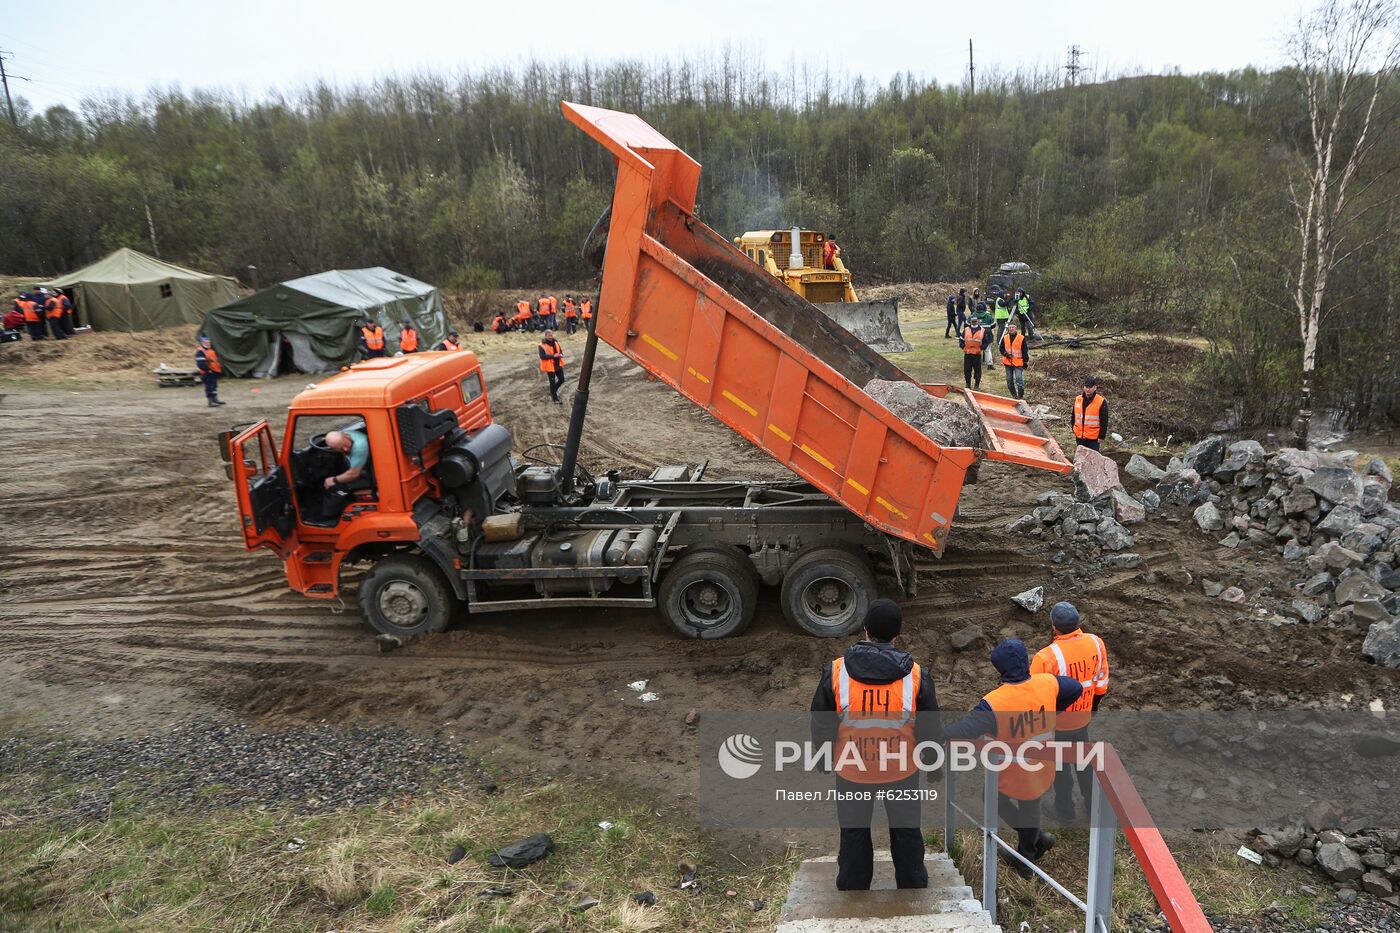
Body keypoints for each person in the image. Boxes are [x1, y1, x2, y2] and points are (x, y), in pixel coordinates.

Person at [810, 599, 937, 891]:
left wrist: (822, 756)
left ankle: (853, 889)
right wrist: (934, 764)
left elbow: (821, 720)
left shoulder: (836, 672)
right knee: (906, 832)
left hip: (853, 770)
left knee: (853, 833)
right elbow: (930, 727)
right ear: (897, 635)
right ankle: (913, 885)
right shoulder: (917, 675)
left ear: (865, 630)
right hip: (901, 772)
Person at [942, 638, 1083, 877]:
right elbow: (1076, 688)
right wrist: (1053, 711)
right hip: (1042, 763)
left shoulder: (995, 703)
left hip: (1011, 769)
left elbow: (964, 730)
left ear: (1000, 669)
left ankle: (1027, 859)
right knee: (1029, 806)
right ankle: (1032, 843)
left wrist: (935, 735)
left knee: (995, 798)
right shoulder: (1047, 683)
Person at [1031, 602, 1109, 823]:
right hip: (1083, 717)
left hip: (1057, 724)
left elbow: (1036, 697)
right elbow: (1101, 683)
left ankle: (1064, 811)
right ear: (1078, 623)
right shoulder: (1096, 643)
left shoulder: (1046, 657)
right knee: (1083, 761)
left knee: (1060, 768)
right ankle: (1092, 803)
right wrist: (1091, 709)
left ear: (1054, 627)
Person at [1071, 377, 1108, 451]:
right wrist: (1074, 428)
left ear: (1095, 388)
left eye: (1090, 387)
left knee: (1092, 460)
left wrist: (1101, 437)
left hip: (1093, 438)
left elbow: (1104, 421)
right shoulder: (1078, 399)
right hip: (1079, 436)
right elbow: (1073, 416)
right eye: (1086, 387)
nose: (1087, 389)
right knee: (1080, 458)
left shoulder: (1101, 401)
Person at [999, 322, 1029, 400]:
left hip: (1018, 363)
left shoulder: (1021, 338)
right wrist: (1006, 354)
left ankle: (1020, 397)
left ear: (1016, 328)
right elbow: (1001, 348)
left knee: (1019, 379)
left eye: (1013, 327)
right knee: (1009, 381)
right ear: (1008, 329)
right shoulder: (1005, 338)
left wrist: (1025, 362)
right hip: (1007, 362)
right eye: (1010, 327)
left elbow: (1025, 350)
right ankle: (1014, 396)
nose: (1011, 329)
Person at [195, 335, 225, 407]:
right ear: (202, 343)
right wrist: (208, 370)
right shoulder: (200, 351)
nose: (208, 343)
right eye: (206, 342)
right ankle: (211, 402)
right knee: (209, 387)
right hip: (207, 372)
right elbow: (200, 364)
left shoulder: (210, 351)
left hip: (214, 371)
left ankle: (215, 400)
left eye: (208, 342)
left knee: (214, 386)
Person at [958, 315, 986, 390]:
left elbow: (985, 342)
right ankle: (968, 384)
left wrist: (981, 349)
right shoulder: (966, 329)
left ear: (977, 321)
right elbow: (961, 339)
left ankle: (976, 385)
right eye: (972, 321)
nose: (974, 322)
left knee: (977, 371)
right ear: (970, 322)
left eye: (975, 321)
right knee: (967, 370)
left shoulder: (982, 330)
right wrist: (963, 347)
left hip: (977, 354)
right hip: (967, 353)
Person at [538, 329, 565, 404]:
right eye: (549, 335)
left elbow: (561, 350)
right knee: (552, 382)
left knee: (562, 379)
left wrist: (561, 354)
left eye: (552, 335)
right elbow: (542, 356)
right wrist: (553, 356)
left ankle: (553, 392)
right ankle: (555, 399)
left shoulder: (556, 342)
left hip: (558, 364)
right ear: (545, 336)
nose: (551, 337)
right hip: (550, 366)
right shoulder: (542, 345)